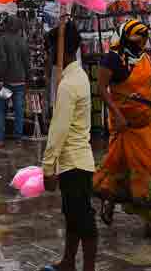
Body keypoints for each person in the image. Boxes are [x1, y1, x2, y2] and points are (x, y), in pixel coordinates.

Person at [94, 19, 151, 239]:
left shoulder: (145, 57)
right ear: (126, 38)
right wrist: (117, 114)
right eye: (138, 39)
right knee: (121, 168)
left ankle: (150, 224)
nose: (142, 43)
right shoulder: (112, 59)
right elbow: (101, 88)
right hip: (125, 127)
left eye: (144, 39)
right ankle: (117, 204)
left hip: (147, 124)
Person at [41, 21, 97, 271]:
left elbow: (58, 131)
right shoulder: (78, 76)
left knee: (82, 219)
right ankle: (68, 261)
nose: (48, 55)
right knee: (72, 217)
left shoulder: (68, 84)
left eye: (50, 49)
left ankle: (88, 267)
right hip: (77, 161)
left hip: (74, 163)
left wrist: (47, 168)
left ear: (60, 50)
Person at [0, 16, 31, 143]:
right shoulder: (23, 41)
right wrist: (28, 77)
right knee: (18, 111)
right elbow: (27, 62)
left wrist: (0, 78)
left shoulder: (2, 40)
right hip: (20, 81)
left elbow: (2, 61)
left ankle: (0, 139)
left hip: (6, 82)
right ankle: (18, 138)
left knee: (1, 110)